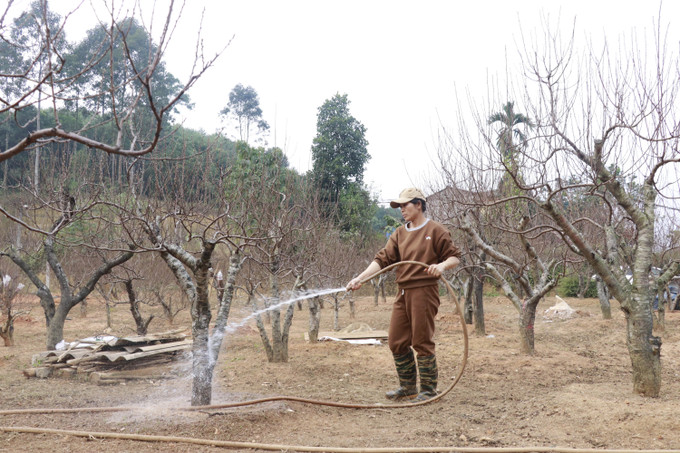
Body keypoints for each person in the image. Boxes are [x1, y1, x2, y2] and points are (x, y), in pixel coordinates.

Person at [346, 187, 460, 402]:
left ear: (419, 204)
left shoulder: (436, 230)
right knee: (396, 340)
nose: (401, 210)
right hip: (403, 291)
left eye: (405, 205)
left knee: (421, 340)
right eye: (399, 206)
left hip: (424, 291)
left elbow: (454, 257)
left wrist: (441, 266)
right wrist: (360, 278)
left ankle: (428, 391)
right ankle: (408, 387)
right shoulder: (399, 233)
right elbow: (382, 260)